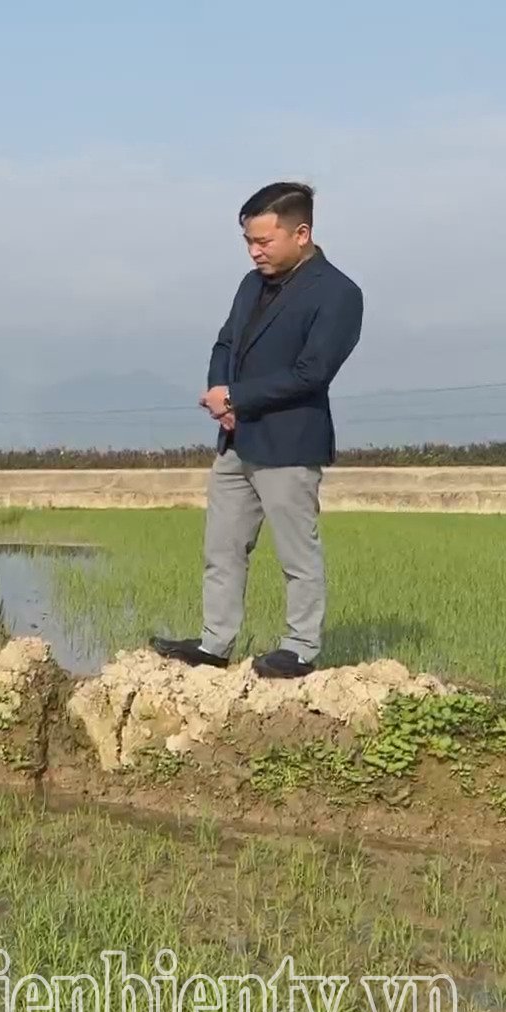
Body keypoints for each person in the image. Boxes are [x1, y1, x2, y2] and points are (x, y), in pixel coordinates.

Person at [152, 182, 364, 680]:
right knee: (222, 548)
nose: (254, 252)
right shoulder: (251, 285)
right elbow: (225, 342)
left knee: (297, 553)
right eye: (248, 241)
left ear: (302, 233)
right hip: (236, 440)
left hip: (289, 446)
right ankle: (214, 642)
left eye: (264, 241)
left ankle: (300, 648)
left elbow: (313, 373)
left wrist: (239, 398)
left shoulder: (339, 294)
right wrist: (220, 393)